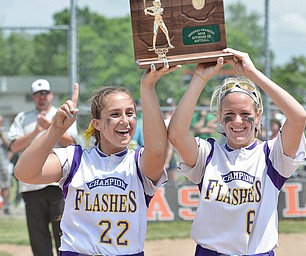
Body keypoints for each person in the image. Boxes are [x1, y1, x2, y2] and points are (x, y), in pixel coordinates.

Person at [14, 63, 180, 255]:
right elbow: (23, 173)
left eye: (130, 113)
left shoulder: (138, 163)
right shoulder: (75, 159)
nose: (125, 120)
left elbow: (158, 149)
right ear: (97, 124)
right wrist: (56, 130)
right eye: (115, 114)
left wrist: (147, 87)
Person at [168, 48, 306, 255]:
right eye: (229, 114)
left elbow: (298, 117)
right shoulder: (209, 155)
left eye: (245, 113)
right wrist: (199, 77)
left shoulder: (271, 155)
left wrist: (252, 74)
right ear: (219, 117)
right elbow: (177, 134)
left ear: (258, 115)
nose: (237, 121)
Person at [8, 79, 78, 256]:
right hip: (31, 185)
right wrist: (36, 130)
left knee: (63, 234)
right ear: (33, 97)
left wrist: (52, 127)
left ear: (51, 95)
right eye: (38, 94)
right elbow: (14, 146)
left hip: (58, 184)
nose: (42, 97)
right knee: (38, 237)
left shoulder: (62, 113)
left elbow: (73, 143)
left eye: (45, 93)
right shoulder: (23, 118)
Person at [0, 115, 14, 215]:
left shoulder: (6, 132)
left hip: (4, 163)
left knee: (6, 185)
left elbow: (11, 147)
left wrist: (1, 135)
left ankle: (7, 206)